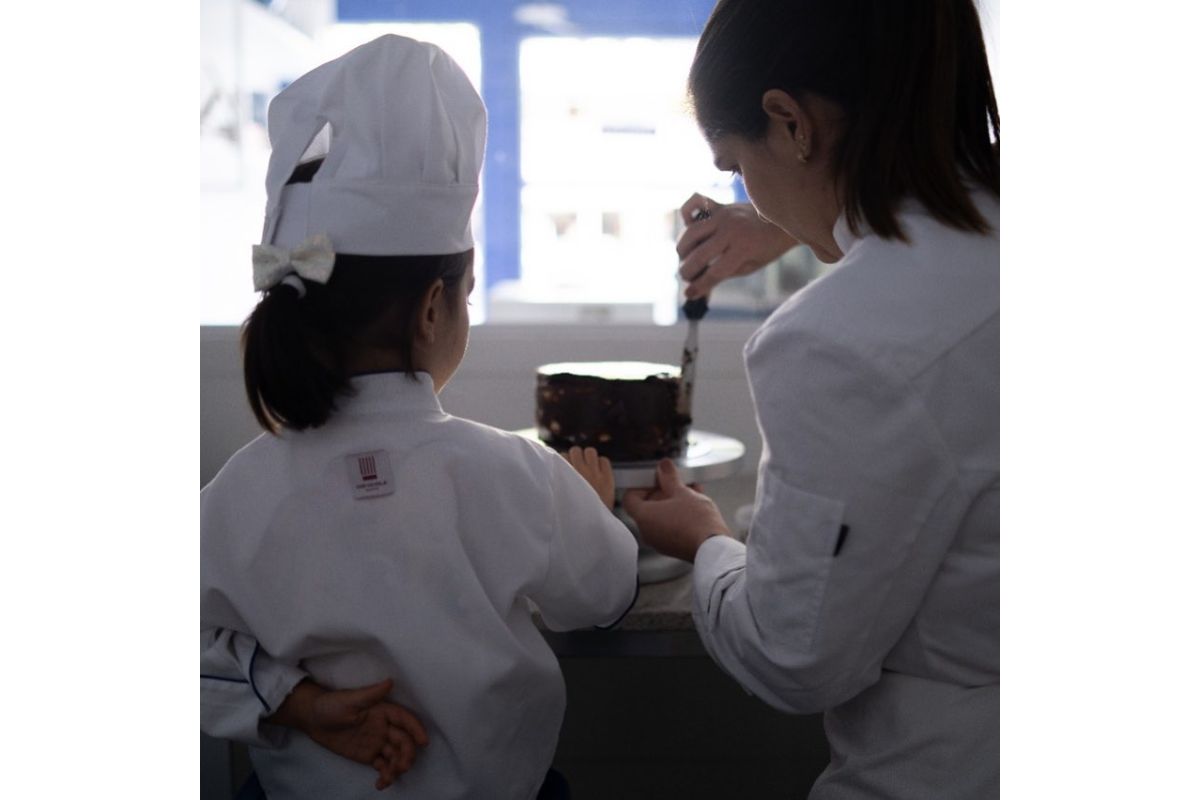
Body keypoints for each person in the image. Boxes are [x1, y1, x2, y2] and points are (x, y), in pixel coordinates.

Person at [200, 35, 638, 799]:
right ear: (435, 308)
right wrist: (591, 508)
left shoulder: (238, 493)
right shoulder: (511, 471)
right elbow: (603, 592)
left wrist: (297, 702)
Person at [623, 1, 1000, 798]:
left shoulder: (835, 340)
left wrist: (706, 541)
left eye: (736, 163)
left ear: (790, 123)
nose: (745, 195)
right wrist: (816, 219)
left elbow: (795, 657)